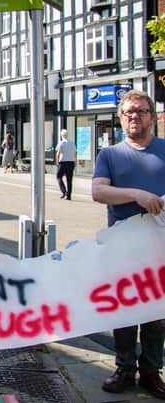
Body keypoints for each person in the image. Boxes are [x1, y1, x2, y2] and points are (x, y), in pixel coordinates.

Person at [92, 90, 165, 400]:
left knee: (156, 312)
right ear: (121, 119)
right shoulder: (110, 154)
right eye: (129, 112)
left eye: (142, 111)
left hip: (159, 247)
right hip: (122, 246)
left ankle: (151, 371)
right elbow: (98, 191)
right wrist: (137, 195)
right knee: (123, 309)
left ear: (151, 116)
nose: (135, 116)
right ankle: (124, 367)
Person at [56, 129, 77, 200]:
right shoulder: (72, 143)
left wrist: (57, 162)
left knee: (58, 176)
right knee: (69, 179)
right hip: (71, 162)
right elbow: (74, 153)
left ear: (61, 136)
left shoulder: (61, 143)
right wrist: (75, 161)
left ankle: (64, 191)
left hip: (63, 162)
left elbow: (58, 154)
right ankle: (69, 196)